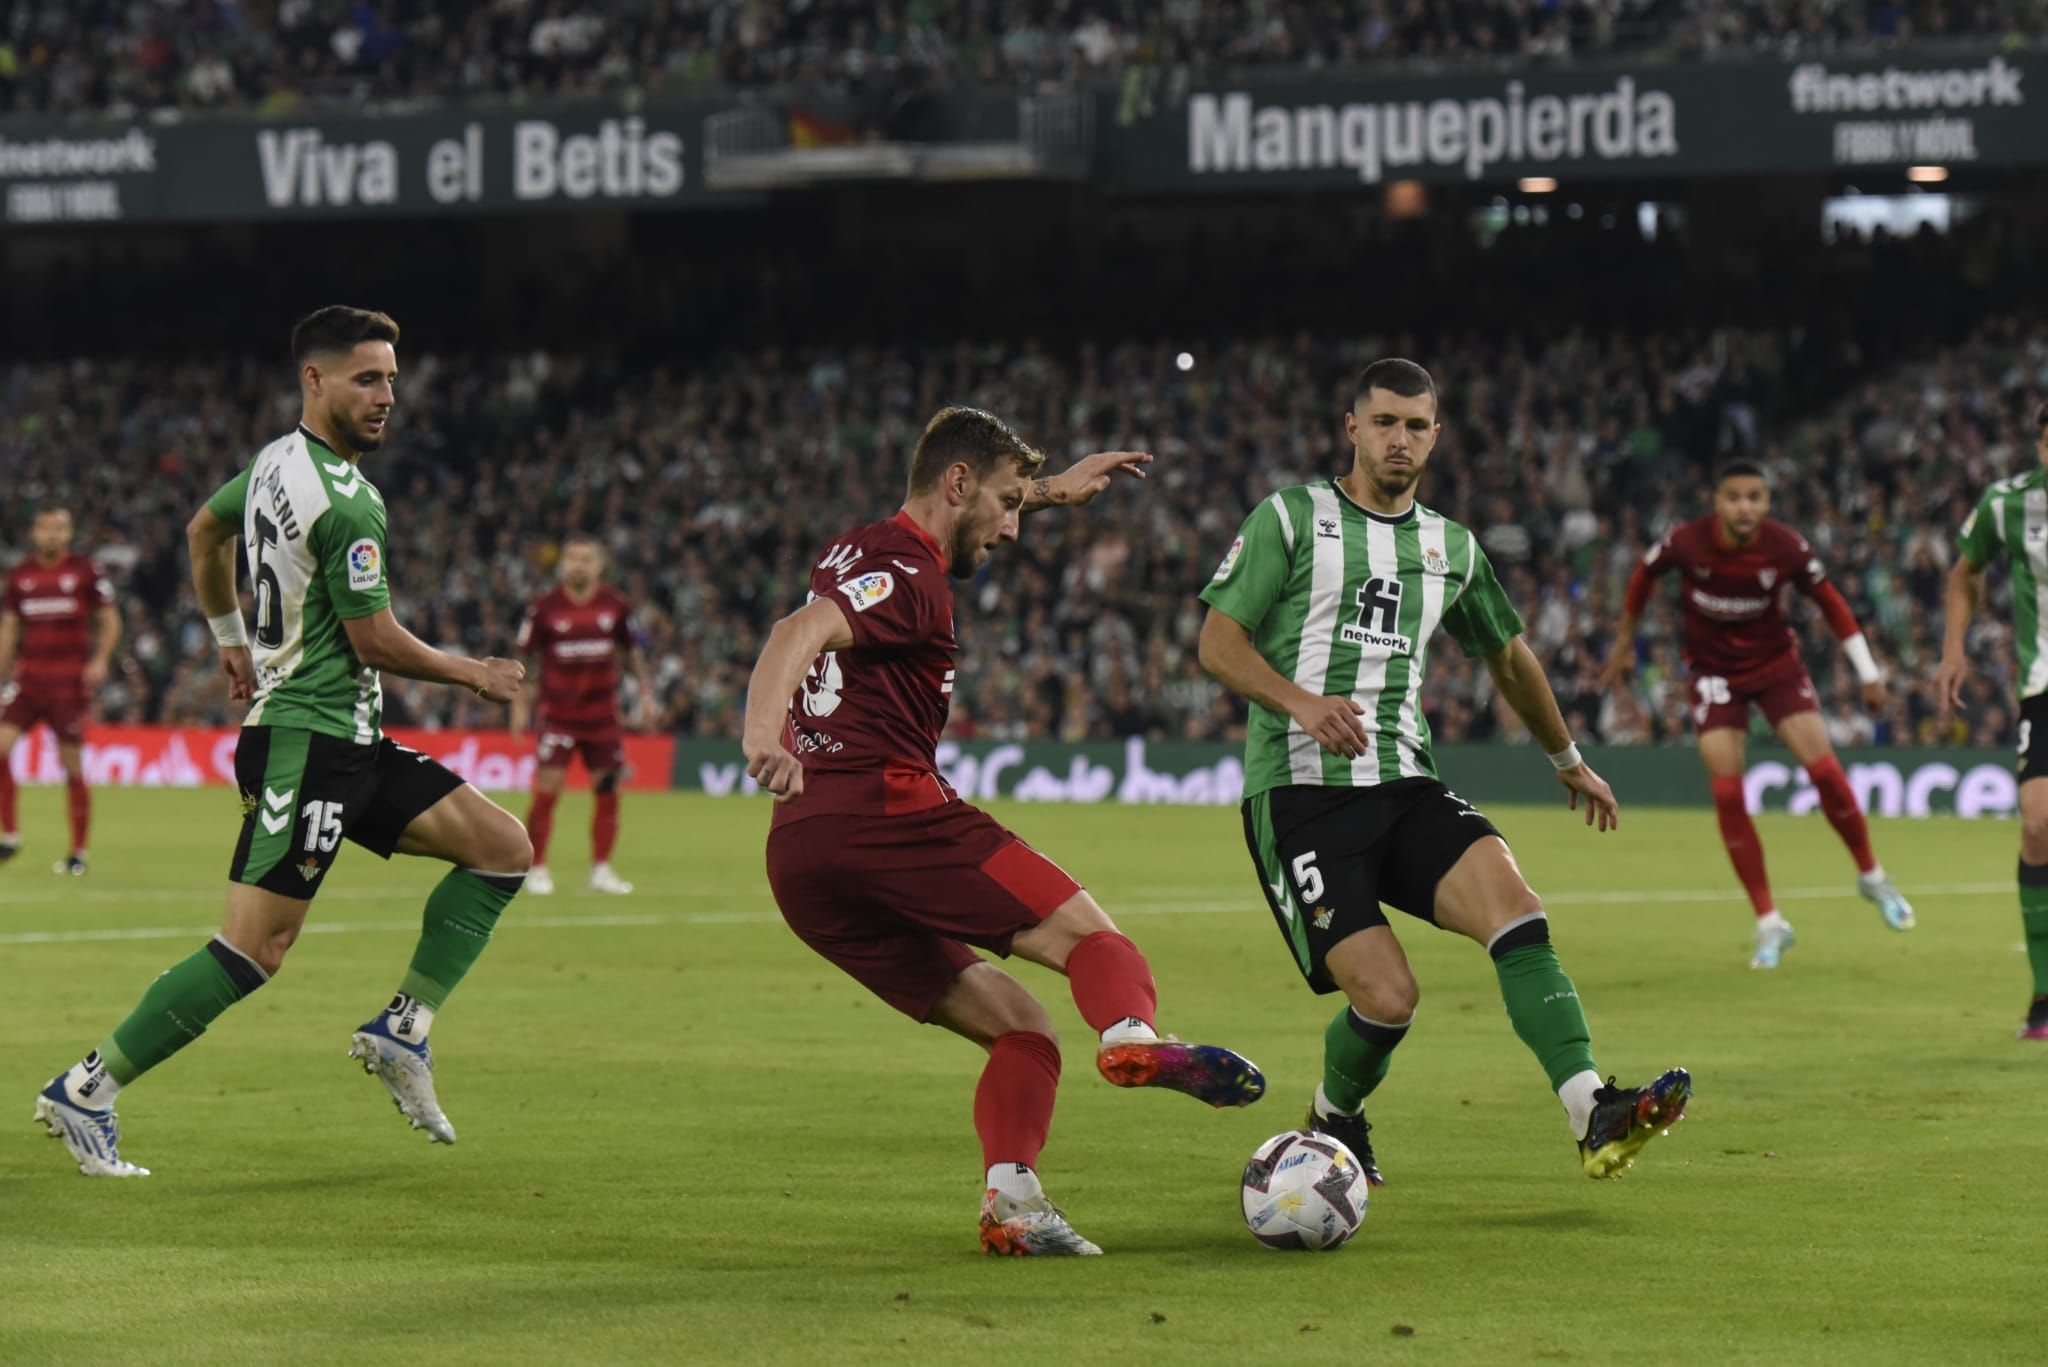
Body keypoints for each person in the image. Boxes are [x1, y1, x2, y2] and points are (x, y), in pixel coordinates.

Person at [742, 406, 1265, 1257]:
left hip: (801, 856)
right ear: (958, 483)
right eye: (1009, 504)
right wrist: (762, 735)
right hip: (889, 815)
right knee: (1098, 944)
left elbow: (852, 586)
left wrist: (1051, 490)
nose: (1014, 528)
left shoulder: (854, 549)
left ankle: (1013, 1207)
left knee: (1024, 1030)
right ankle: (1133, 1038)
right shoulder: (912, 576)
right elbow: (793, 631)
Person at [32, 306, 532, 1177]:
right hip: (306, 744)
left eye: (392, 380)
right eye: (367, 379)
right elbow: (373, 639)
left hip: (351, 739)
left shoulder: (273, 462)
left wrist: (230, 637)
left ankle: (402, 1028)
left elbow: (203, 530)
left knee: (502, 850)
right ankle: (86, 1088)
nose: (387, 396)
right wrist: (473, 673)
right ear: (315, 379)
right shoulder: (347, 501)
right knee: (253, 948)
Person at [1197, 357, 1689, 1186]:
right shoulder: (1290, 518)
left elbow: (1509, 656)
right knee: (1389, 999)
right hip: (1302, 794)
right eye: (1384, 422)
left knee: (1517, 909)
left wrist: (1567, 757)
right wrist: (1300, 701)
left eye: (1415, 425)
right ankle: (1335, 1115)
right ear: (1352, 428)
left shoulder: (1450, 546)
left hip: (1407, 783)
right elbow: (1218, 641)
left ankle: (1592, 1109)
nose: (1399, 439)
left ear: (1436, 436)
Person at [1598, 460, 1913, 969]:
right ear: (1717, 502)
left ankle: (1872, 876)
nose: (1744, 507)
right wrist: (1622, 642)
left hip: (1775, 668)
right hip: (1714, 675)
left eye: (1754, 497)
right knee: (1727, 791)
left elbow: (1832, 604)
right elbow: (1643, 576)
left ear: (1766, 502)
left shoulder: (1785, 547)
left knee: (1825, 772)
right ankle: (1769, 922)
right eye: (1734, 497)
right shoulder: (1686, 542)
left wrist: (1869, 672)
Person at [1936, 402, 2048, 1040]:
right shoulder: (2007, 504)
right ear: (2040, 446)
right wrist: (1954, 648)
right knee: (2037, 826)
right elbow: (1964, 574)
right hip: (2045, 684)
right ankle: (2044, 995)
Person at [511, 534, 654, 895]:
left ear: (599, 565)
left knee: (608, 792)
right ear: (562, 565)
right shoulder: (545, 608)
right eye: (572, 558)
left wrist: (646, 695)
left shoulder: (615, 605)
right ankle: (536, 868)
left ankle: (601, 870)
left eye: (586, 559)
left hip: (603, 718)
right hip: (558, 717)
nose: (578, 565)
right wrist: (519, 707)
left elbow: (632, 653)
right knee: (547, 792)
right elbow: (525, 661)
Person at [0, 506, 121, 875]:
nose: (51, 534)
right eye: (45, 527)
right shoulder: (21, 575)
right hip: (28, 681)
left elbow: (110, 619)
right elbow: (9, 628)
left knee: (71, 766)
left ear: (68, 533)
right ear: (34, 532)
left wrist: (100, 659)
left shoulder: (85, 571)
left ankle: (78, 851)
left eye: (59, 528)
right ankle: (10, 836)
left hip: (68, 684)